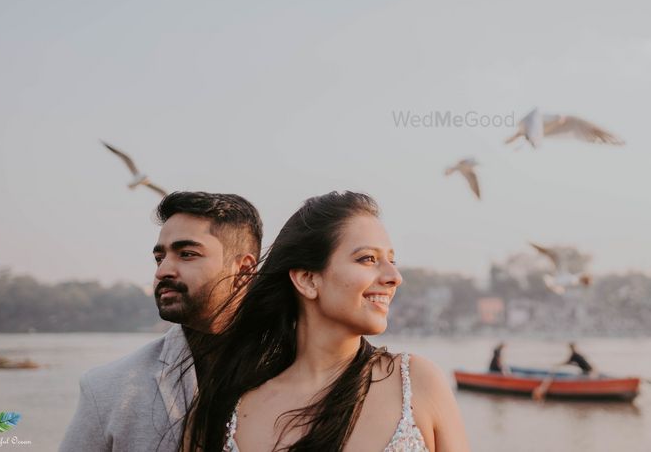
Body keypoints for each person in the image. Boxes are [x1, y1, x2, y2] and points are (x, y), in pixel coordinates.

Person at [182, 190, 470, 452]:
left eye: (391, 260)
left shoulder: (417, 383)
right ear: (308, 280)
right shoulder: (227, 408)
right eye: (368, 259)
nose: (393, 277)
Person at [60, 192, 262, 452]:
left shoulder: (299, 369)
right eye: (159, 258)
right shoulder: (107, 389)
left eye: (187, 254)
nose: (162, 271)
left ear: (244, 271)